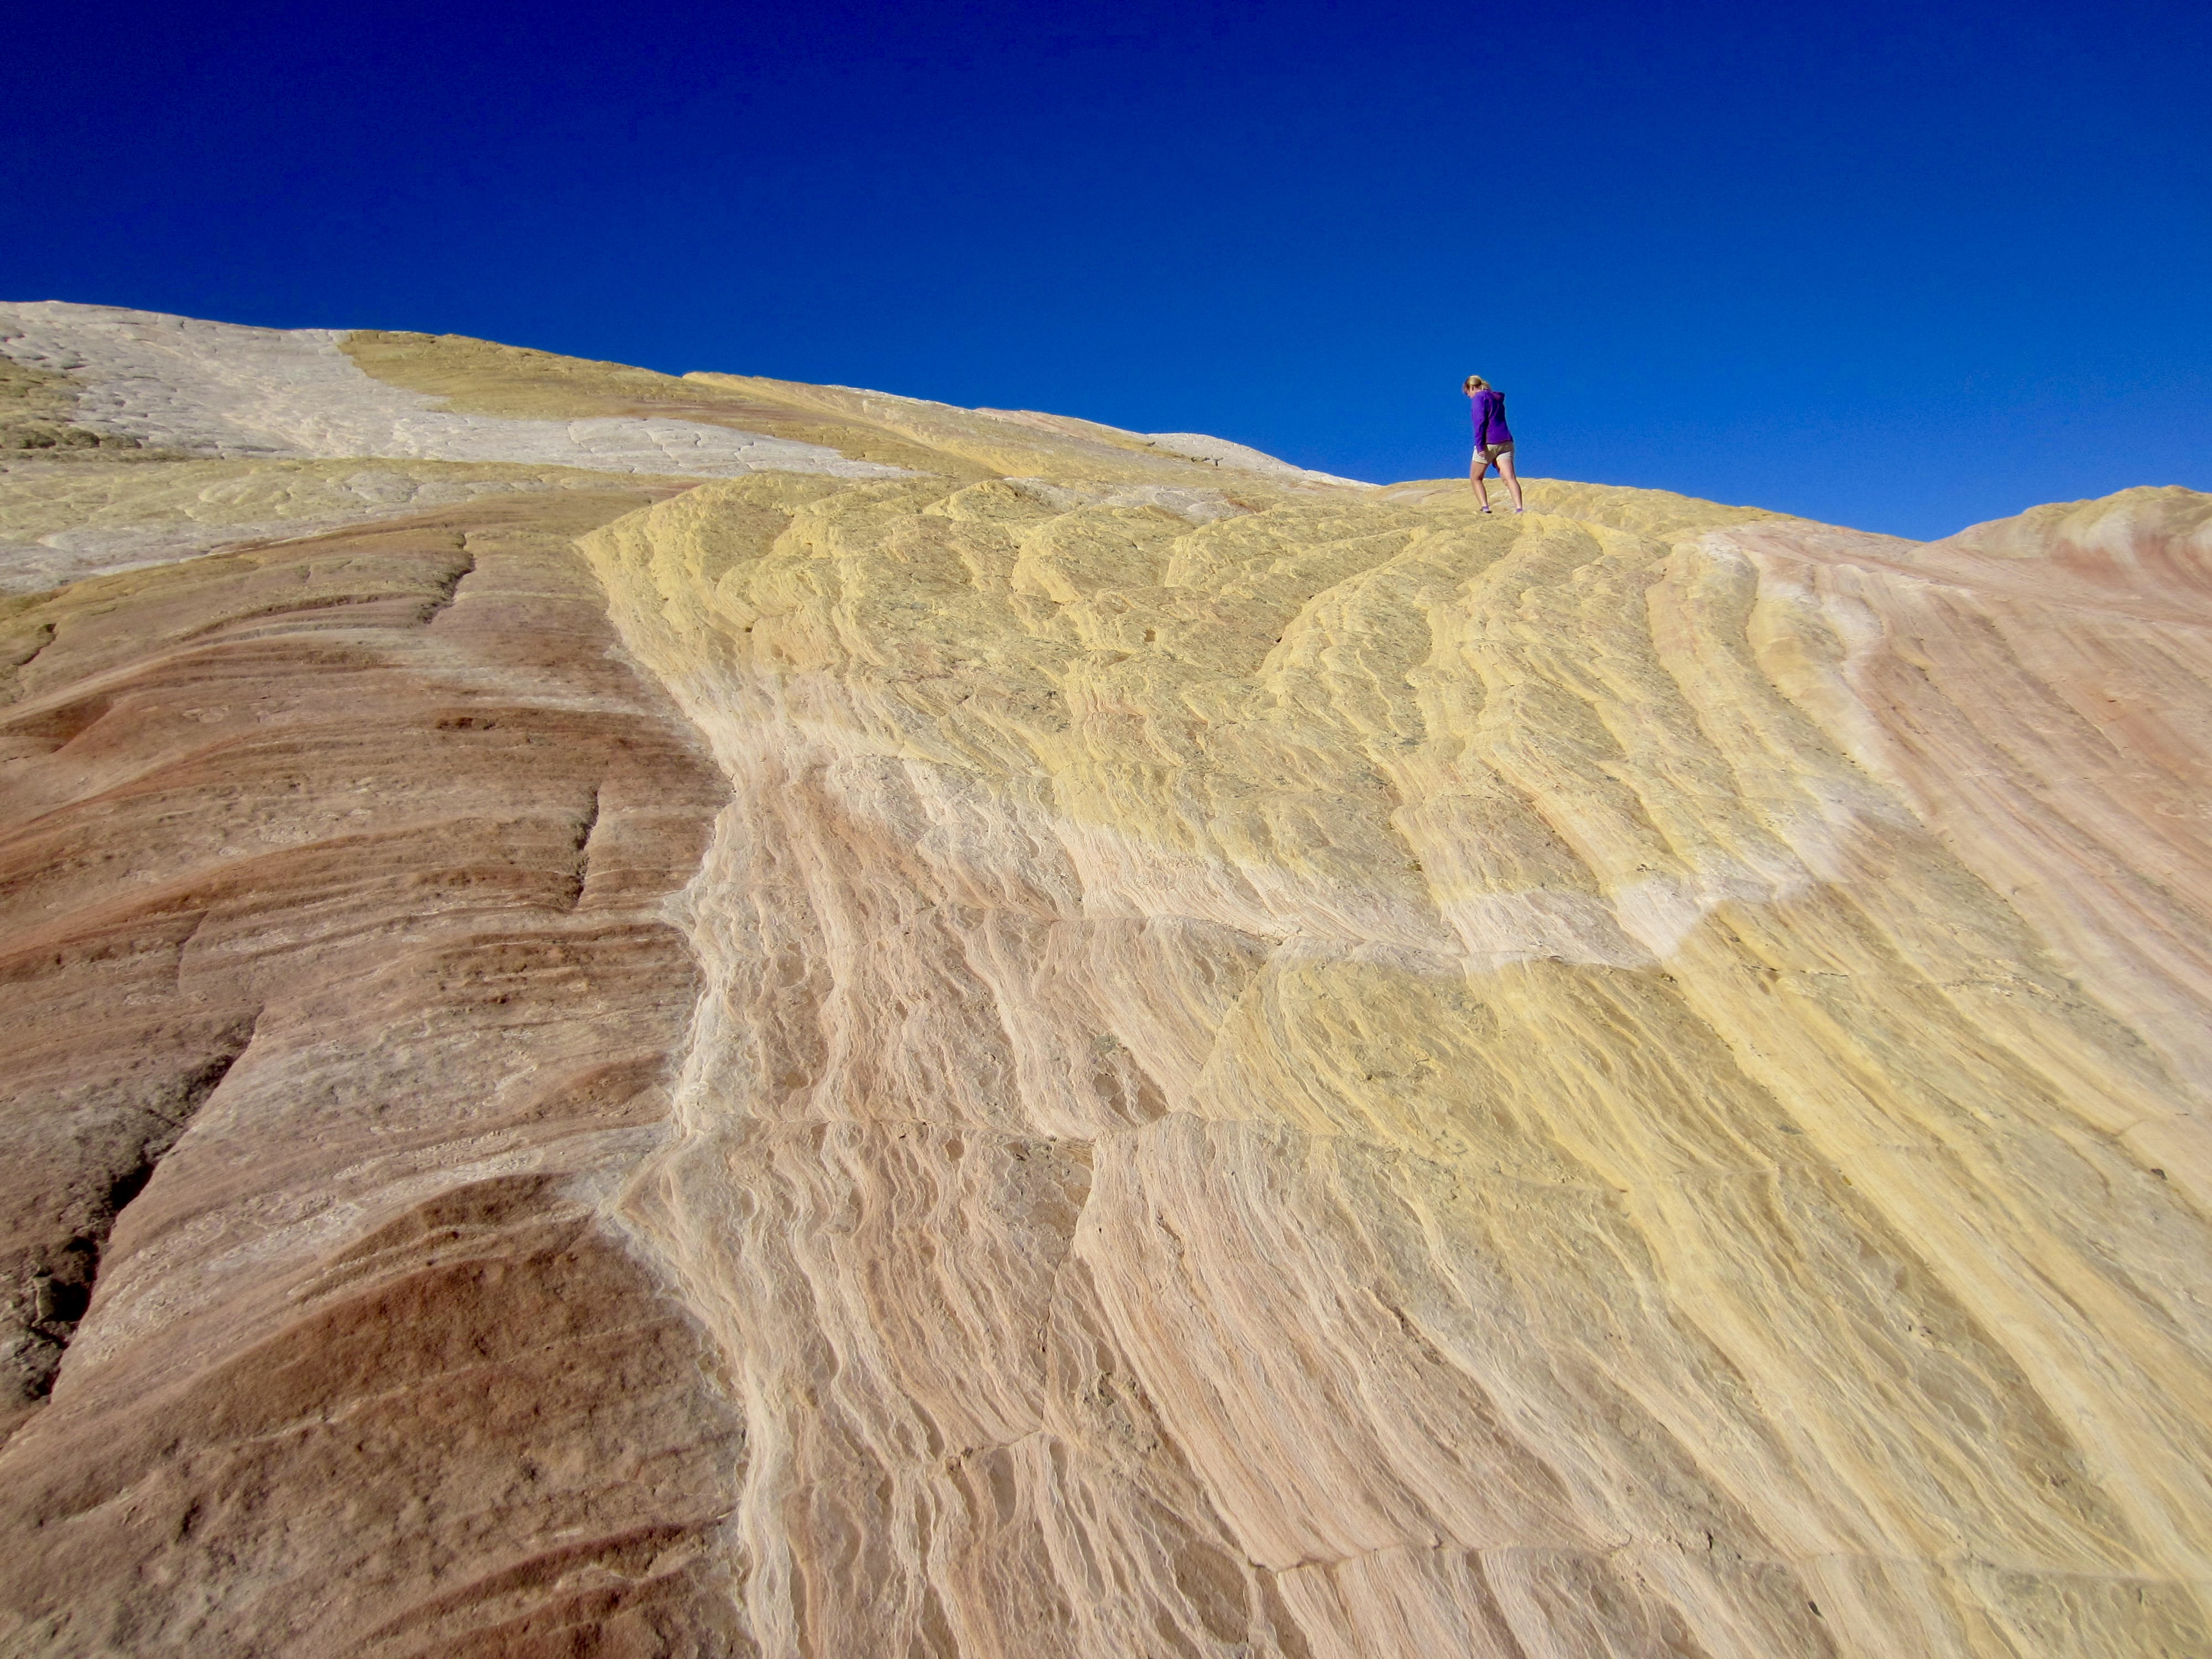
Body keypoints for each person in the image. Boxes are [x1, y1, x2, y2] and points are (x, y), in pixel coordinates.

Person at [1465, 375, 1524, 513]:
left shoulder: (1479, 398)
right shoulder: (1497, 399)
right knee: (1510, 478)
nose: (1470, 397)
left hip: (1489, 442)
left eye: (1468, 394)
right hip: (1506, 441)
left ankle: (1485, 507)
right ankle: (1519, 508)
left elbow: (1480, 421)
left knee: (1476, 478)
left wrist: (1479, 444)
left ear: (1472, 387)